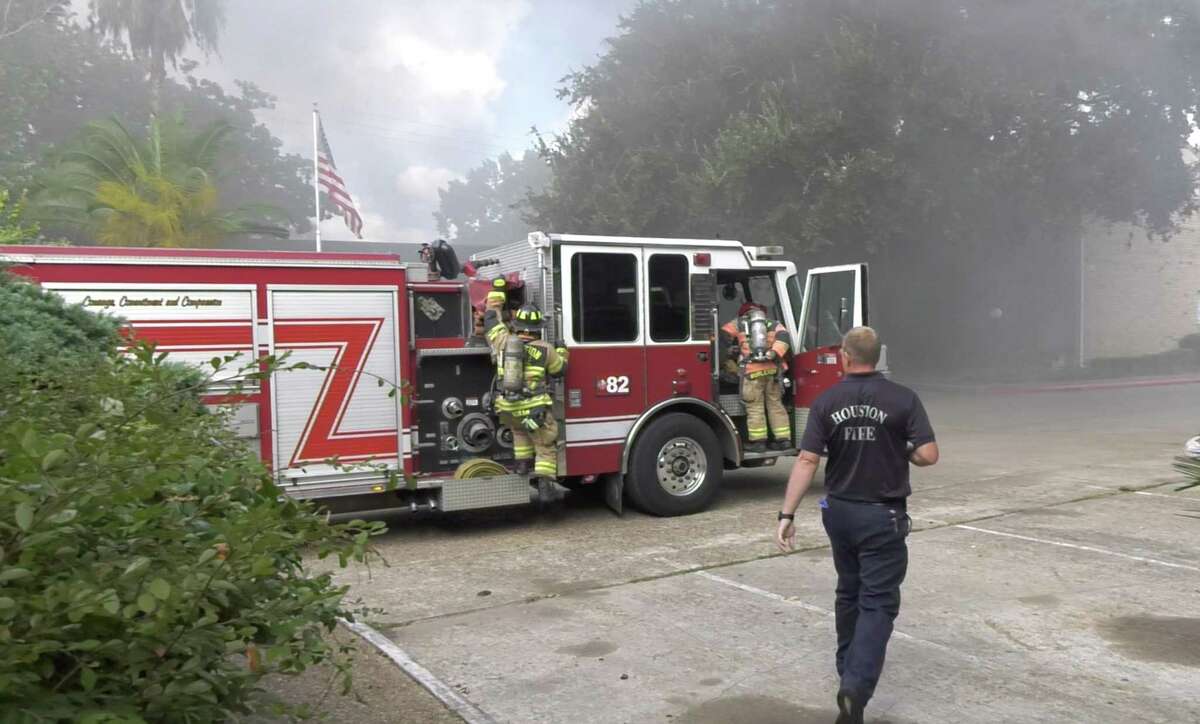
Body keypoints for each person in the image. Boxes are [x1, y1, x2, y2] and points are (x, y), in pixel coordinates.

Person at [773, 326, 939, 724]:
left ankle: (846, 667)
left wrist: (787, 515)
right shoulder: (903, 399)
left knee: (849, 592)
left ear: (845, 358)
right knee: (878, 601)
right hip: (882, 515)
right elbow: (929, 455)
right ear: (878, 357)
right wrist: (906, 451)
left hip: (840, 513)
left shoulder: (826, 400)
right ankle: (855, 687)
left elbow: (807, 461)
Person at [483, 297, 568, 483]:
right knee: (544, 444)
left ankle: (522, 465)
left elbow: (490, 322)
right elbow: (559, 371)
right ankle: (546, 485)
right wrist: (561, 351)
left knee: (520, 432)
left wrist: (496, 297)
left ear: (517, 325)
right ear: (539, 328)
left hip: (508, 407)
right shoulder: (546, 349)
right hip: (534, 409)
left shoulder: (503, 341)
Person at [721, 302, 792, 452]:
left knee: (755, 407)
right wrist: (773, 352)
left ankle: (758, 442)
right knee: (776, 405)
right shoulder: (773, 324)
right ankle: (783, 440)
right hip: (773, 373)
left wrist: (725, 352)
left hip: (752, 373)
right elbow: (784, 338)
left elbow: (722, 336)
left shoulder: (739, 322)